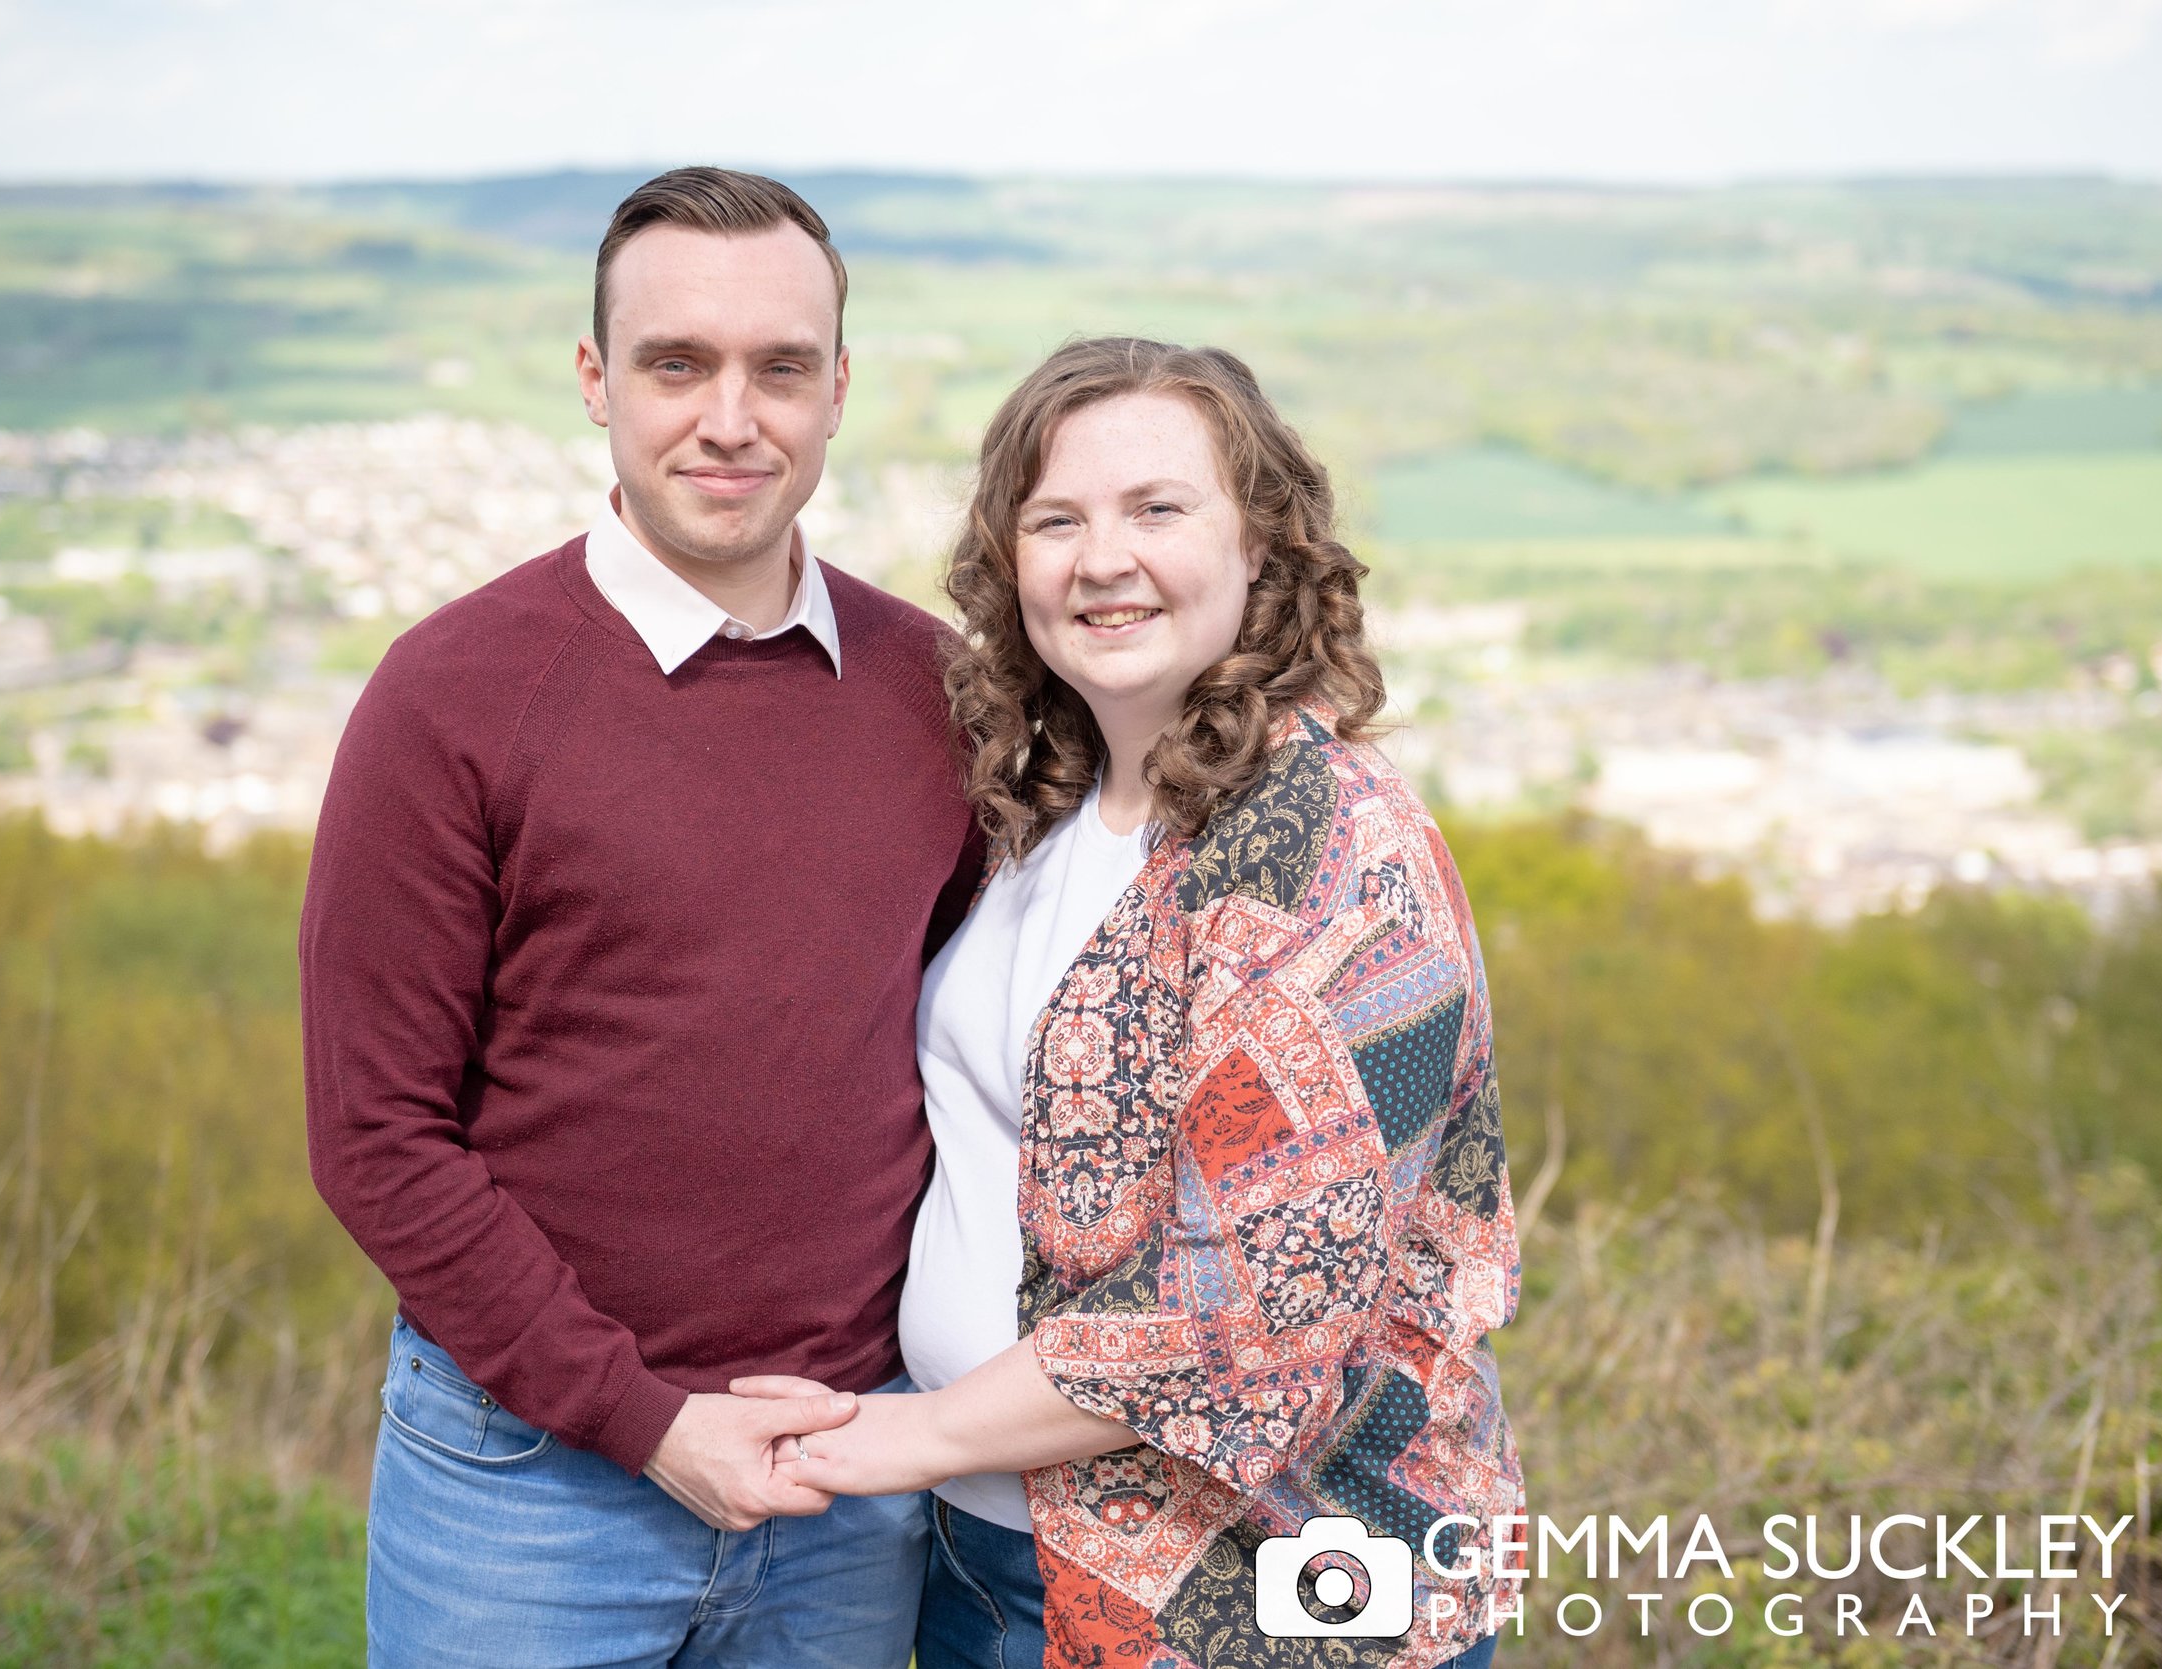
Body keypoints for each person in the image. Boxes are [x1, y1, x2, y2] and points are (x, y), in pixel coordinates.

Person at [739, 338, 1527, 1669]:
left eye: (1157, 509)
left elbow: (1251, 1314)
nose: (1105, 559)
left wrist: (893, 1434)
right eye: (1058, 520)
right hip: (999, 1555)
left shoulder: (1331, 851)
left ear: (1263, 550)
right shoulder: (1047, 804)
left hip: (1264, 1599)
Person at [298, 167, 982, 1668]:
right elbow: (377, 1136)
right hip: (528, 1488)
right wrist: (644, 1419)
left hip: (838, 1481)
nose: (730, 418)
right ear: (598, 382)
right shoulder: (451, 698)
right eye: (678, 363)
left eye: (780, 368)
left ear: (838, 388)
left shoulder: (936, 694)